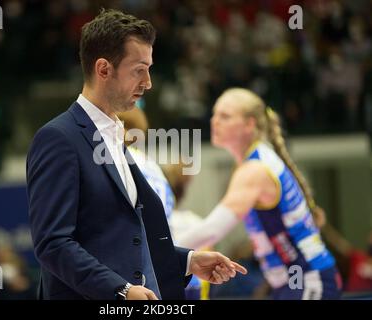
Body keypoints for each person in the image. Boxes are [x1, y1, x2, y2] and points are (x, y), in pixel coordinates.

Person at [26, 9, 246, 300]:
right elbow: (52, 244)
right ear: (103, 69)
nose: (148, 83)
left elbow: (126, 241)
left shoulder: (115, 136)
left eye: (150, 68)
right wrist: (120, 291)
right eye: (138, 70)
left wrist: (188, 261)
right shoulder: (58, 138)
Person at [177, 87, 342, 299]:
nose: (214, 121)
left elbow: (212, 230)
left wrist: (158, 250)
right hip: (294, 279)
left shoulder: (255, 169)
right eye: (214, 114)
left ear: (249, 124)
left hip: (305, 277)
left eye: (225, 116)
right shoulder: (256, 162)